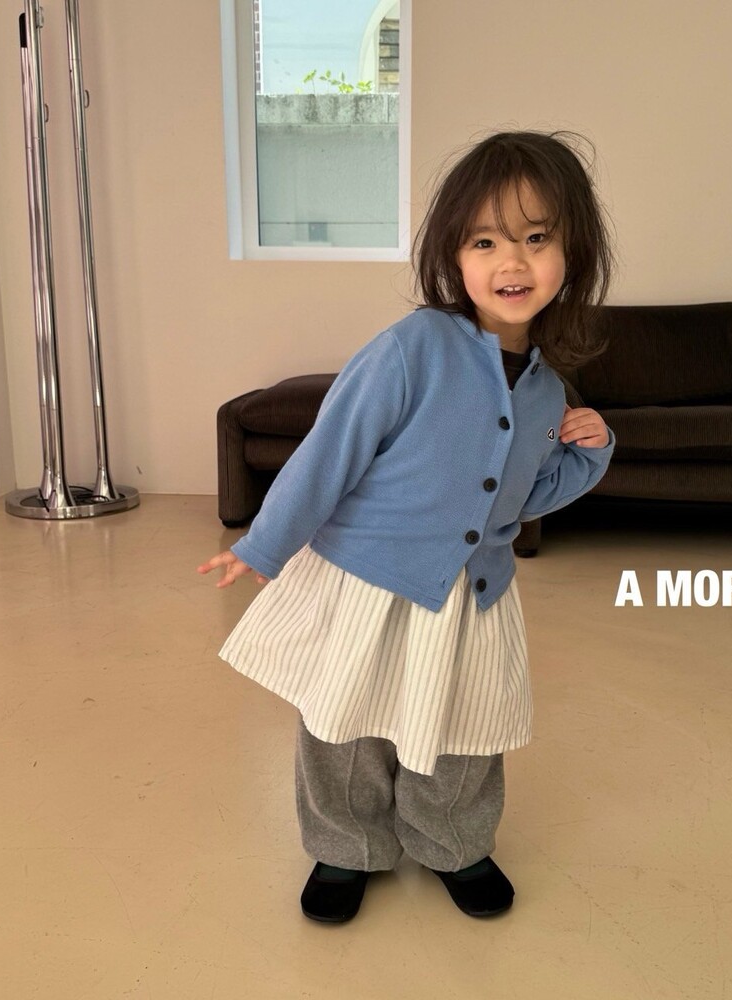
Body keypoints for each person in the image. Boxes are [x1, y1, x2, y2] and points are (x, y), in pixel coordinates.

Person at [198, 129, 616, 924]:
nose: (512, 262)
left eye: (536, 239)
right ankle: (344, 843)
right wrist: (265, 543)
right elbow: (330, 452)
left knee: (467, 725)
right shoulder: (412, 348)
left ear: (573, 252)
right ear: (453, 255)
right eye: (486, 241)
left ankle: (453, 840)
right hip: (371, 580)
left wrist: (591, 455)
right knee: (345, 721)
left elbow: (522, 498)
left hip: (475, 594)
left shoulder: (546, 388)